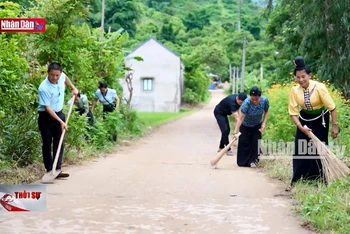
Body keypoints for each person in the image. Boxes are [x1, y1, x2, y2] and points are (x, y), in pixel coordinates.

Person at [285, 56, 339, 191]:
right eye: (298, 77)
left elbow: (332, 108)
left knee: (319, 149)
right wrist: (301, 127)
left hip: (320, 121)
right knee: (300, 148)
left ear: (309, 75)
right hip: (303, 121)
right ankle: (297, 180)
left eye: (303, 76)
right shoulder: (294, 90)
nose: (301, 79)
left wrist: (334, 126)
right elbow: (293, 112)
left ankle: (318, 179)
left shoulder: (319, 87)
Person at [37, 63, 78, 178]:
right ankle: (50, 169)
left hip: (59, 114)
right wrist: (61, 121)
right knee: (47, 142)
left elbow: (65, 78)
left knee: (59, 142)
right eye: (52, 75)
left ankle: (57, 168)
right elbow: (47, 108)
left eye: (57, 75)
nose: (54, 78)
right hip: (46, 116)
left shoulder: (61, 77)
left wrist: (73, 88)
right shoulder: (43, 88)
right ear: (47, 73)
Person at [233, 86, 269, 167]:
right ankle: (243, 162)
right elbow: (240, 118)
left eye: (256, 99)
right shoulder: (246, 103)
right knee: (244, 143)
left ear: (260, 97)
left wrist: (263, 123)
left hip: (257, 125)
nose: (254, 101)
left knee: (255, 142)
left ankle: (253, 161)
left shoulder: (264, 100)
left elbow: (266, 111)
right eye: (252, 99)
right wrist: (235, 132)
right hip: (245, 125)